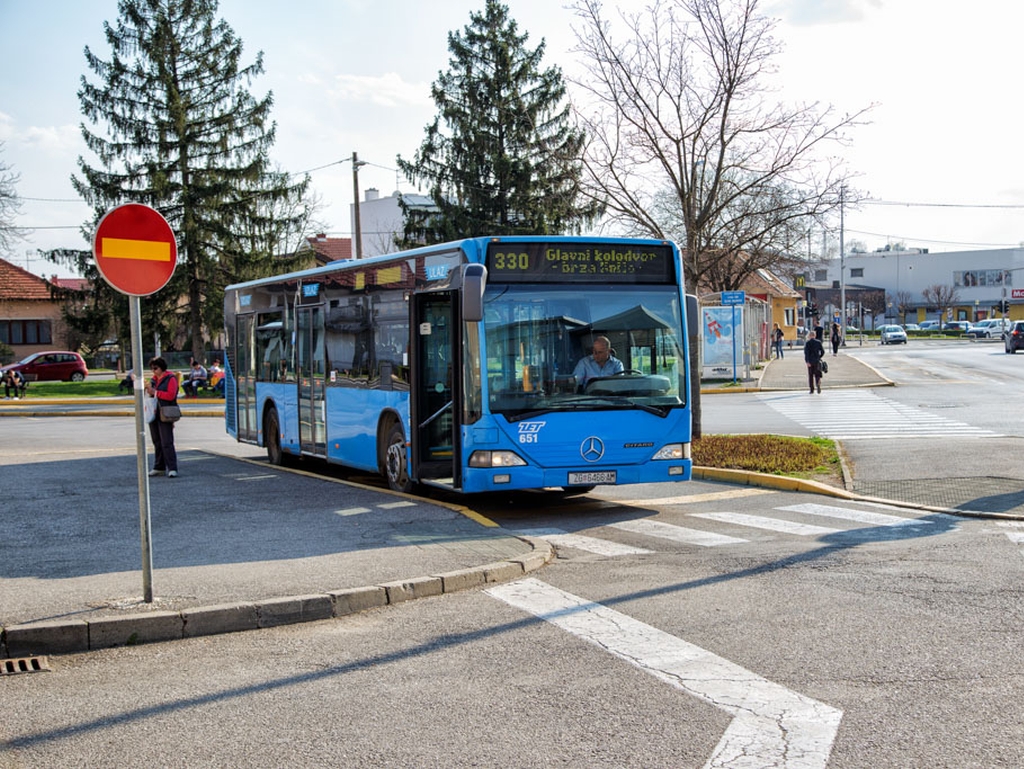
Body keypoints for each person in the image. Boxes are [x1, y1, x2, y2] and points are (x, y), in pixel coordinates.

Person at [146, 357, 179, 477]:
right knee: (157, 441)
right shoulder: (154, 380)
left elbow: (171, 395)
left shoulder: (171, 378)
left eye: (155, 368)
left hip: (165, 412)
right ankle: (159, 466)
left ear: (162, 368)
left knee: (167, 441)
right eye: (152, 369)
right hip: (154, 412)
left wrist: (155, 393)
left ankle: (172, 467)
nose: (153, 371)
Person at [804, 326, 826, 394]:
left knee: (810, 375)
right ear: (815, 335)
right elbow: (823, 351)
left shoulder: (808, 343)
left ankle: (812, 389)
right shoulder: (818, 342)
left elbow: (806, 353)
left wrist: (807, 361)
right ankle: (818, 382)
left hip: (810, 361)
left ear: (810, 336)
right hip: (817, 360)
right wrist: (819, 357)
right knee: (817, 374)